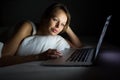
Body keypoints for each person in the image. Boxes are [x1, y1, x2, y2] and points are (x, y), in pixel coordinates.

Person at [0, 2, 82, 67]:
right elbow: (3, 59)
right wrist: (38, 57)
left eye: (62, 24)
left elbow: (78, 46)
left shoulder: (52, 34)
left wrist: (66, 27)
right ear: (45, 18)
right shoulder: (27, 27)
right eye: (55, 19)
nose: (57, 26)